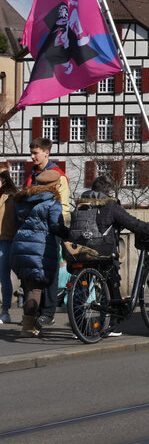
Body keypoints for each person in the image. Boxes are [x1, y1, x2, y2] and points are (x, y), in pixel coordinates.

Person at [68, 175, 149, 337]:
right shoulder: (110, 205)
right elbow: (134, 224)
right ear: (109, 191)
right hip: (103, 251)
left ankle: (78, 328)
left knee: (80, 291)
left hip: (80, 250)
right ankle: (107, 325)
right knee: (109, 285)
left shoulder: (81, 205)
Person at [10, 178, 63, 336]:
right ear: (54, 185)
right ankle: (28, 328)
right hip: (40, 248)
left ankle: (31, 326)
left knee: (28, 286)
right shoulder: (52, 203)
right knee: (35, 288)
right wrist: (69, 234)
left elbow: (15, 224)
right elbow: (56, 226)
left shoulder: (23, 200)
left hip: (20, 246)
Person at [27, 138, 68, 327]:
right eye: (31, 152)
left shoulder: (59, 176)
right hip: (34, 228)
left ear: (46, 153)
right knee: (35, 270)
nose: (32, 156)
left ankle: (48, 312)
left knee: (50, 270)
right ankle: (34, 311)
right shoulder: (32, 174)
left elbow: (64, 206)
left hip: (51, 229)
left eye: (35, 153)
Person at [0, 169, 17, 324]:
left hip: (5, 239)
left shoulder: (11, 197)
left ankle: (5, 311)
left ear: (3, 180)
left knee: (4, 276)